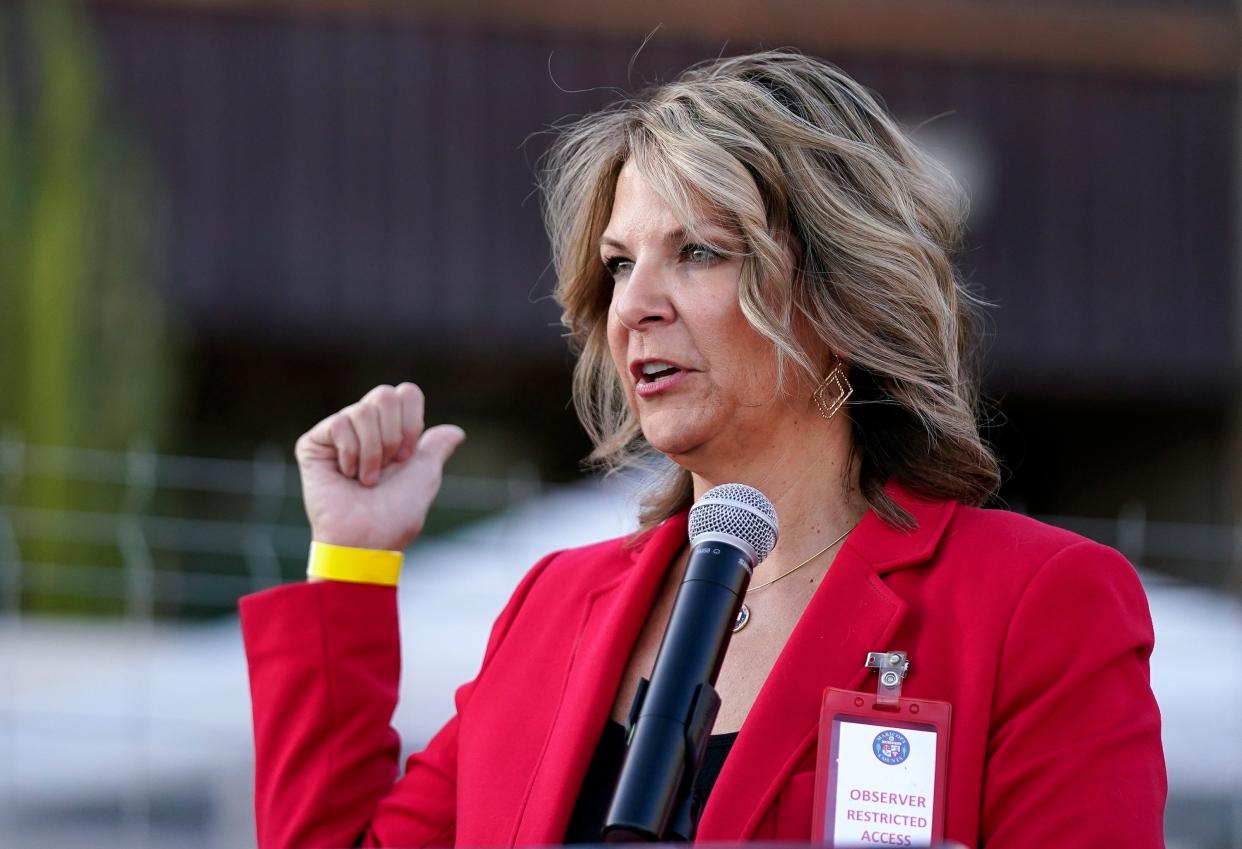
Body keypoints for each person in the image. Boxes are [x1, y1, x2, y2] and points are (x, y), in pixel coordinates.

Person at [240, 50, 1166, 849]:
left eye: (697, 253)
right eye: (618, 263)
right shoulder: (553, 606)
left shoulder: (1033, 607)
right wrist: (353, 558)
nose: (635, 305)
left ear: (839, 299)